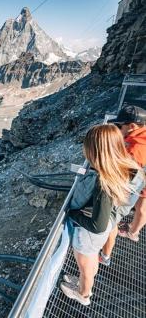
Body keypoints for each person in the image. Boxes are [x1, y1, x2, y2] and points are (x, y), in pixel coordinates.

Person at [60, 124, 145, 306]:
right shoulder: (130, 166)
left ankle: (83, 294)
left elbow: (97, 226)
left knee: (85, 266)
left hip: (90, 233)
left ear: (96, 152)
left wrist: (73, 213)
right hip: (108, 223)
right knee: (91, 259)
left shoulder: (104, 182)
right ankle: (86, 281)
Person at [100, 105, 146, 266]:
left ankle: (106, 255)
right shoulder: (140, 136)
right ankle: (134, 230)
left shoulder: (136, 149)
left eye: (120, 126)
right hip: (141, 181)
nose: (118, 129)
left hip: (134, 189)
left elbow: (123, 177)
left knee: (114, 219)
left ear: (132, 126)